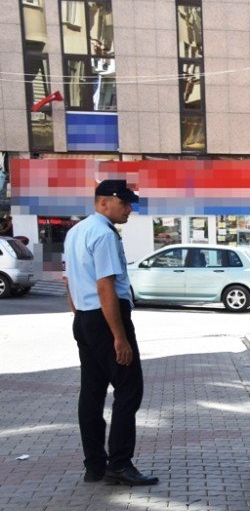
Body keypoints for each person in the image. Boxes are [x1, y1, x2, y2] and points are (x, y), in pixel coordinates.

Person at [64, 179, 158, 486]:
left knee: (91, 392)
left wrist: (83, 318)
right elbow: (105, 285)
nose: (130, 209)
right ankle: (119, 463)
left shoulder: (76, 231)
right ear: (105, 202)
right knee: (129, 389)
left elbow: (70, 280)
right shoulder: (103, 234)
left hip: (86, 319)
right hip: (107, 319)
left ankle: (94, 466)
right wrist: (118, 336)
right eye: (125, 203)